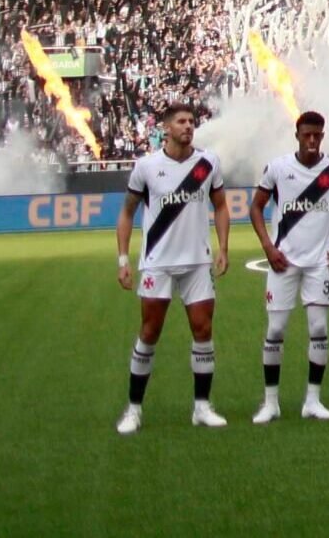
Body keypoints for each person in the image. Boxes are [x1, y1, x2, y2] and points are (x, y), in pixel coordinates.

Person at [114, 102, 230, 435]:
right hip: (158, 263)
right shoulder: (147, 167)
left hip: (197, 262)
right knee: (149, 333)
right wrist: (123, 260)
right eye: (181, 121)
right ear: (166, 128)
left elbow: (221, 206)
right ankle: (134, 410)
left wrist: (223, 247)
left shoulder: (208, 163)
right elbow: (126, 213)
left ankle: (202, 407)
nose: (188, 126)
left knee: (203, 331)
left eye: (192, 121)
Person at [248, 110, 329, 423]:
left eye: (317, 135)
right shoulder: (279, 168)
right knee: (276, 329)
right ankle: (271, 403)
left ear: (323, 136)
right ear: (297, 135)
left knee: (319, 328)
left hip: (321, 262)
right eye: (307, 135)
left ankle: (313, 400)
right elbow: (255, 207)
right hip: (284, 260)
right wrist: (268, 247)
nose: (312, 140)